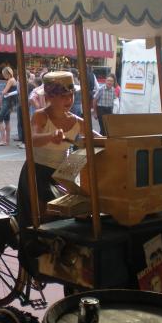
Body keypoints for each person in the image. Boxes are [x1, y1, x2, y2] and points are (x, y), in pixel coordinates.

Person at [17, 71, 98, 227]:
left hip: (60, 175)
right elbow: (31, 139)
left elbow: (97, 137)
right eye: (63, 96)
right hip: (36, 173)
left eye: (71, 95)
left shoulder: (76, 121)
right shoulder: (41, 116)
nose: (68, 99)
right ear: (49, 98)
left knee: (80, 206)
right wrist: (50, 136)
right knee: (44, 217)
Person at [0, 66, 17, 146]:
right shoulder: (13, 79)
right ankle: (7, 140)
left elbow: (4, 92)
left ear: (7, 73)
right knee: (7, 121)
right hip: (10, 103)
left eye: (3, 74)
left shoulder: (10, 80)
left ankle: (3, 140)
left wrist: (1, 91)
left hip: (7, 102)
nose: (3, 76)